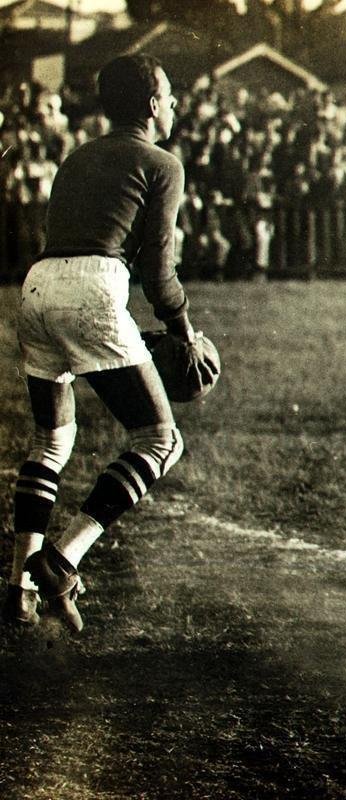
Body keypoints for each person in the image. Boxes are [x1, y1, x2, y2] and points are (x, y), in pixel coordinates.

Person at [2, 55, 213, 632]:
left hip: (37, 287)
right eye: (168, 96)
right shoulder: (161, 163)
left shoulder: (77, 157)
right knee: (159, 440)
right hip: (90, 291)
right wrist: (184, 333)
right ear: (151, 105)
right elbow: (158, 270)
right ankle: (61, 560)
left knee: (51, 442)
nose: (173, 105)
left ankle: (20, 588)